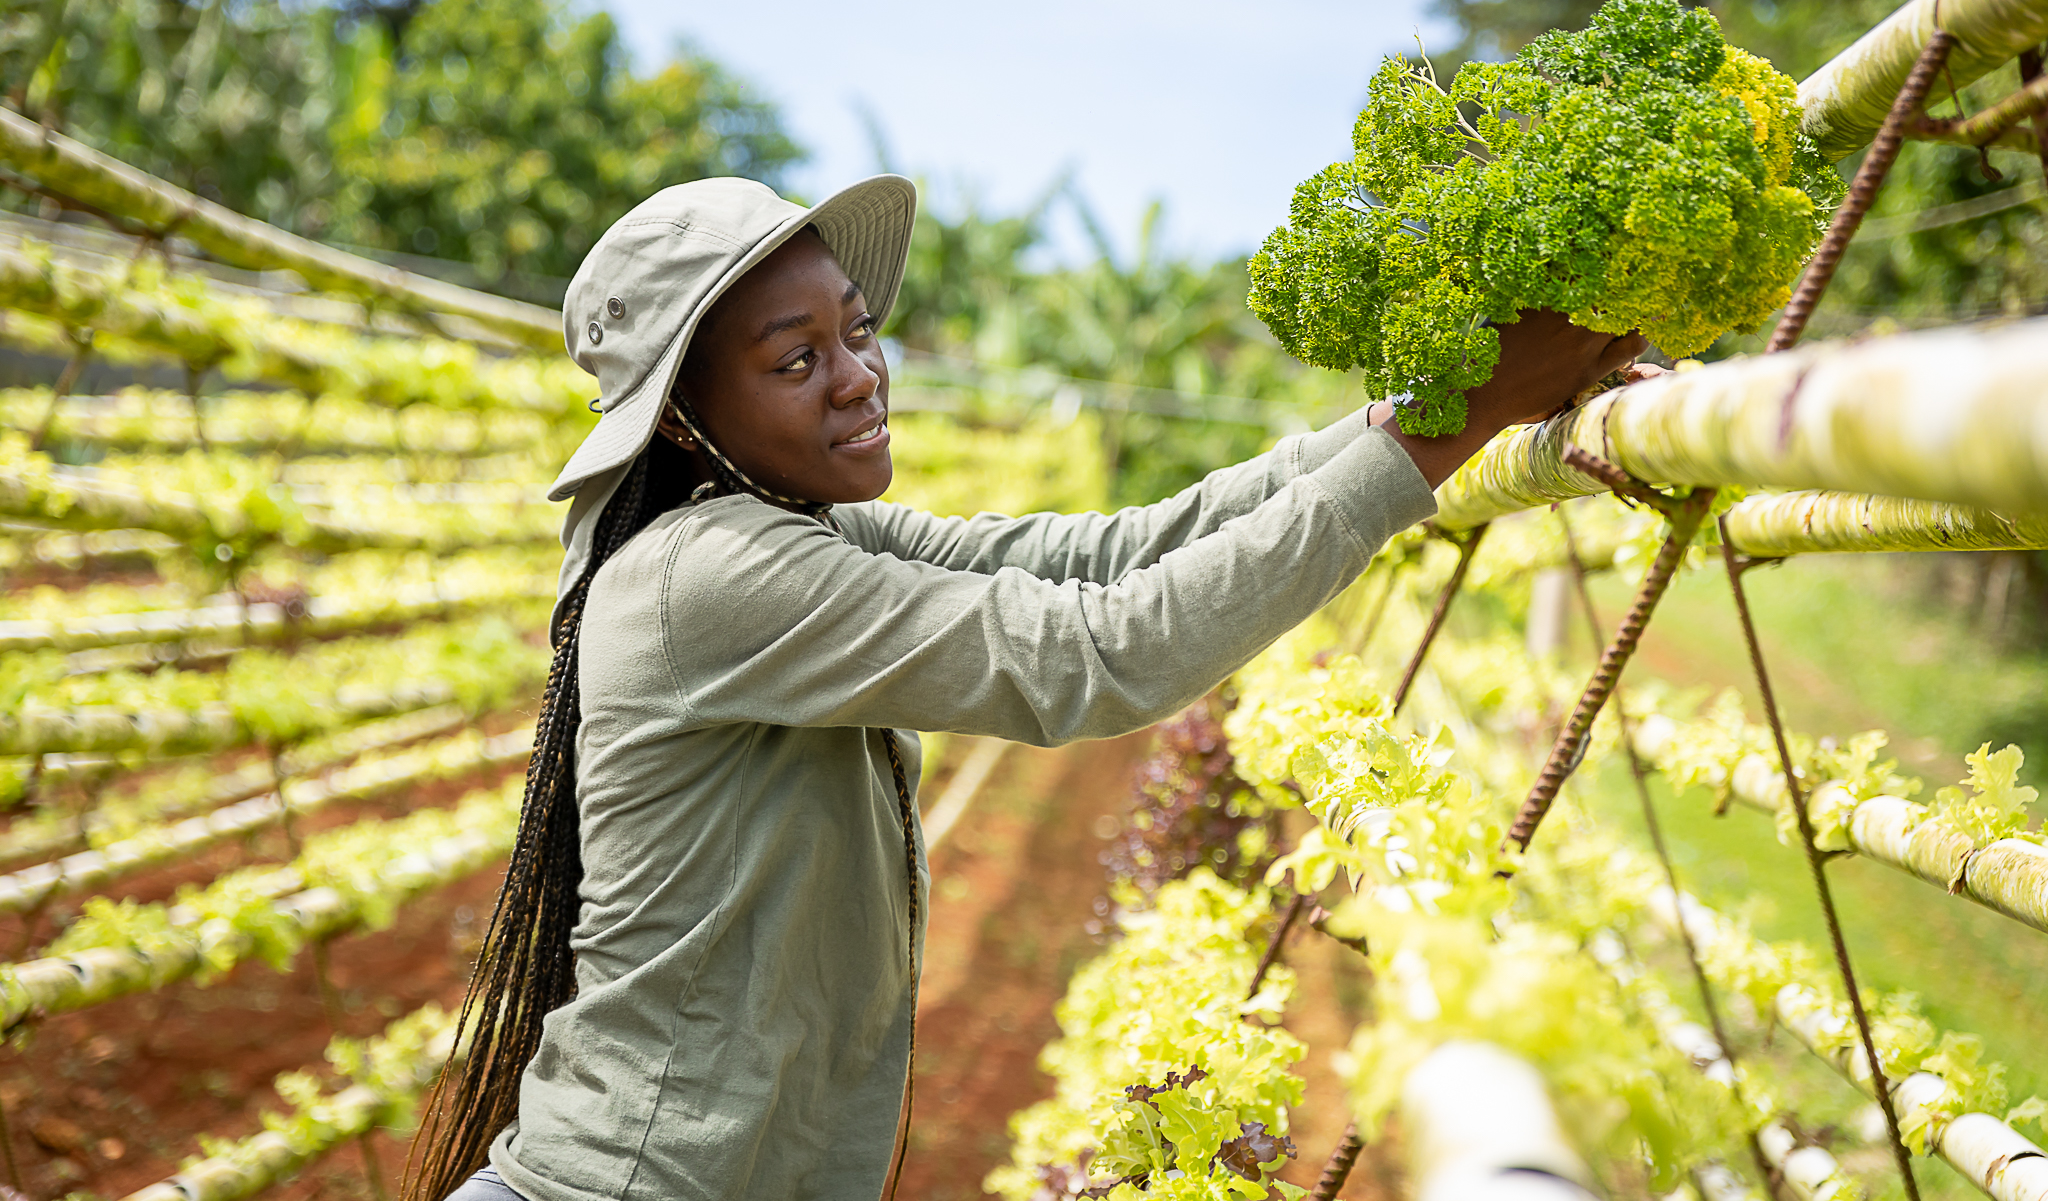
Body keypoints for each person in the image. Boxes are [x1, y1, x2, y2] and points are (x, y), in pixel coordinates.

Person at [406, 176, 1647, 1201]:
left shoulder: (798, 533)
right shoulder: (706, 575)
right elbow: (1100, 654)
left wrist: (1431, 409)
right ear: (682, 423)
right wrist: (1449, 426)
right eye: (795, 361)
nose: (855, 375)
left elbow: (1099, 557)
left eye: (856, 328)